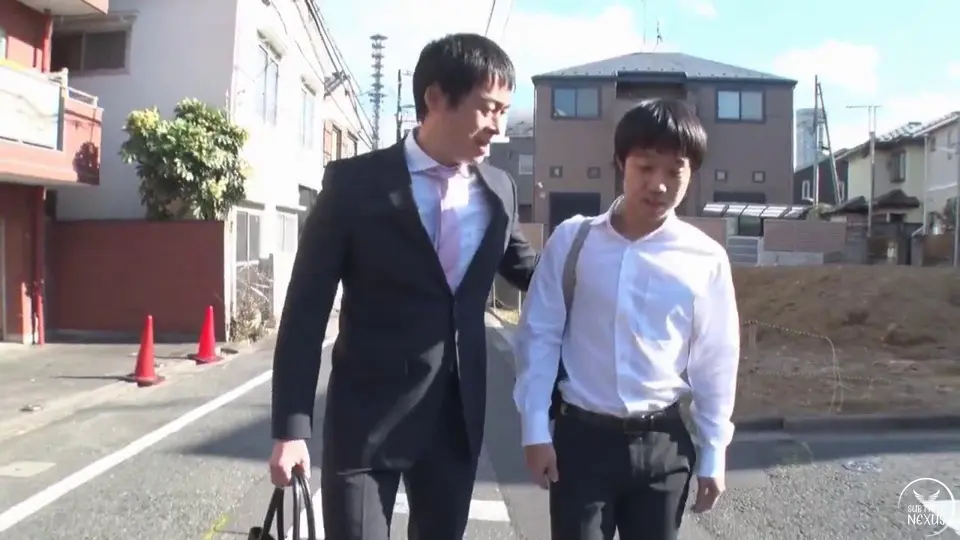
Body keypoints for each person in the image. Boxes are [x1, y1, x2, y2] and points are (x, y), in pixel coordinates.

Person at [268, 33, 537, 540]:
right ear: (435, 98)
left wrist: (609, 255)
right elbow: (305, 312)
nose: (498, 128)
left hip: (454, 421)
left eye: (504, 112)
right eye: (487, 108)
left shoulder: (499, 190)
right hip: (364, 423)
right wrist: (290, 429)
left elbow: (532, 273)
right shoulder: (354, 185)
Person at [513, 98, 740, 540]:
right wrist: (534, 429)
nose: (659, 184)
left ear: (692, 172)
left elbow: (716, 359)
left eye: (675, 170)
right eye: (646, 167)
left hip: (663, 445)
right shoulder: (573, 240)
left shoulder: (706, 258)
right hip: (582, 441)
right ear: (621, 163)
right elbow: (539, 334)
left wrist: (714, 452)